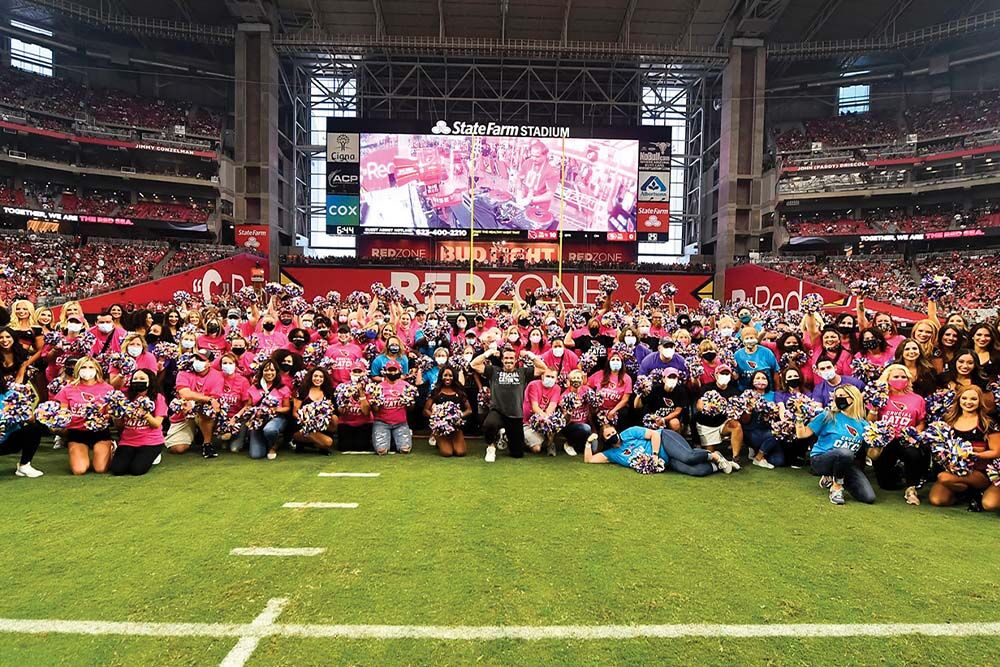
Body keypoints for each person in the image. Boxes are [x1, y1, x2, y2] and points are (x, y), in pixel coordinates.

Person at [795, 384, 874, 506]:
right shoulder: (828, 415)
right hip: (821, 459)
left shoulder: (864, 425)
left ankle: (832, 477)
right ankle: (836, 488)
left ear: (854, 398)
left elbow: (872, 455)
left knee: (868, 497)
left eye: (842, 396)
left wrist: (880, 443)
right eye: (836, 396)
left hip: (845, 463)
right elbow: (802, 434)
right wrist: (799, 416)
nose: (838, 399)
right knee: (845, 452)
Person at [929, 386, 1000, 512]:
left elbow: (996, 451)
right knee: (937, 500)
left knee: (943, 477)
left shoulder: (987, 423)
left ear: (979, 401)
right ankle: (965, 493)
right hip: (954, 470)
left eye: (974, 399)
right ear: (959, 400)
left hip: (980, 471)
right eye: (965, 398)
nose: (968, 402)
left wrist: (972, 454)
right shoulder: (948, 420)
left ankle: (980, 490)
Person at [471, 346, 548, 462]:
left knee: (517, 453)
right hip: (498, 411)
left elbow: (543, 368)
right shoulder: (494, 371)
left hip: (515, 414)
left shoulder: (523, 372)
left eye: (511, 358)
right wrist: (489, 352)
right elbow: (474, 365)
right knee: (489, 424)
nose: (508, 360)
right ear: (502, 360)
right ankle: (491, 447)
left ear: (516, 360)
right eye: (506, 358)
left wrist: (529, 354)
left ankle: (504, 435)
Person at [868, 365, 927, 505]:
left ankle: (911, 489)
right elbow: (870, 422)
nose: (900, 379)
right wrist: (875, 409)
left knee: (913, 454)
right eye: (895, 376)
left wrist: (915, 434)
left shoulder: (917, 399)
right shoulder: (879, 397)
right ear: (887, 379)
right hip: (885, 441)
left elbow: (921, 422)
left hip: (906, 439)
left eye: (903, 377)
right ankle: (898, 471)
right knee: (887, 485)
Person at [585, 423, 733, 476]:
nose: (612, 435)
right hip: (667, 461)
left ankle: (714, 455)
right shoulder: (612, 454)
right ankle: (718, 466)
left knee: (689, 457)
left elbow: (654, 434)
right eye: (608, 435)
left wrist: (654, 455)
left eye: (613, 432)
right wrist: (588, 443)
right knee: (696, 471)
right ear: (604, 439)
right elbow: (589, 460)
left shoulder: (630, 432)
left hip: (665, 440)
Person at [54, 357, 115, 475]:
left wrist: (102, 417)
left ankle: (111, 447)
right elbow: (63, 412)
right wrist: (56, 420)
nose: (87, 370)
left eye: (91, 367)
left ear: (97, 370)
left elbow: (109, 414)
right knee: (79, 470)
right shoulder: (67, 389)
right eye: (83, 367)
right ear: (77, 370)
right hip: (77, 432)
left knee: (100, 469)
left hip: (100, 431)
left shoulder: (108, 388)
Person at [164, 349, 223, 458]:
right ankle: (193, 434)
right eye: (196, 358)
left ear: (209, 363)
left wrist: (200, 402)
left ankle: (207, 443)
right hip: (184, 411)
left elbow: (215, 399)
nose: (197, 361)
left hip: (203, 411)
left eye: (201, 359)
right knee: (177, 448)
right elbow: (184, 393)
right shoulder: (184, 372)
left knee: (208, 410)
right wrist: (206, 399)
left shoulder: (217, 376)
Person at [109, 369, 167, 476]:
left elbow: (157, 424)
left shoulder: (157, 398)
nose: (138, 381)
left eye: (142, 379)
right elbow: (120, 425)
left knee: (137, 470)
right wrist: (117, 414)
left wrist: (145, 414)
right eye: (135, 379)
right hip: (128, 441)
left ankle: (154, 455)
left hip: (150, 441)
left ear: (150, 381)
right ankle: (119, 451)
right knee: (117, 470)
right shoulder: (125, 397)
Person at [693, 364, 744, 464]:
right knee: (711, 456)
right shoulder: (706, 388)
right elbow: (699, 406)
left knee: (736, 425)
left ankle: (735, 459)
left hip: (723, 423)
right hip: (706, 425)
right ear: (716, 375)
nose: (724, 376)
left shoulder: (735, 391)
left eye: (727, 374)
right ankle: (720, 460)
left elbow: (737, 411)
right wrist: (709, 407)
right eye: (722, 373)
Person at [0, 372, 44, 477]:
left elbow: (31, 419)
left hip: (8, 441)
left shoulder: (11, 395)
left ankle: (24, 465)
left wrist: (24, 412)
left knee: (34, 428)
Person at [423, 365, 472, 458]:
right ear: (441, 376)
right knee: (447, 453)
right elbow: (425, 410)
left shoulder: (459, 391)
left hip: (455, 426)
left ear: (454, 377)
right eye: (445, 375)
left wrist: (458, 416)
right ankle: (438, 439)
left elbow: (469, 410)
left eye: (450, 375)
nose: (448, 378)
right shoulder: (436, 391)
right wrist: (437, 418)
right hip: (441, 428)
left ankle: (452, 440)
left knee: (460, 452)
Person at [370, 360, 414, 455]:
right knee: (382, 451)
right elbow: (375, 410)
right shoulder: (378, 387)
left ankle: (396, 440)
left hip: (401, 423)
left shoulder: (407, 386)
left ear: (399, 371)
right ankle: (388, 440)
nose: (393, 373)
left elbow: (411, 409)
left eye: (395, 370)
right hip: (382, 423)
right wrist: (375, 402)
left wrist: (409, 401)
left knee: (405, 450)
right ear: (385, 371)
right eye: (390, 370)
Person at [292, 368, 338, 453]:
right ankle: (303, 440)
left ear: (324, 379)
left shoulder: (328, 392)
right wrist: (306, 421)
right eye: (315, 376)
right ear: (311, 377)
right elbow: (295, 412)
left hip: (322, 426)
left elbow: (332, 411)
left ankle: (308, 442)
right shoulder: (303, 390)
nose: (318, 379)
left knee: (334, 418)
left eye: (321, 377)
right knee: (328, 442)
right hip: (305, 426)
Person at [523, 366, 565, 455]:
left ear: (556, 379)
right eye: (547, 376)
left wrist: (548, 420)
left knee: (555, 420)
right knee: (537, 449)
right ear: (542, 376)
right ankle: (513, 437)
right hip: (528, 422)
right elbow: (535, 407)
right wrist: (545, 418)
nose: (550, 379)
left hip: (544, 420)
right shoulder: (533, 385)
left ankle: (550, 443)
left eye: (552, 377)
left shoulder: (557, 388)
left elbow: (552, 406)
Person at [335, 360, 373, 452]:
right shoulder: (342, 387)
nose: (357, 374)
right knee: (344, 447)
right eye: (354, 371)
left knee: (361, 447)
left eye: (359, 372)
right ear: (350, 372)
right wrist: (346, 397)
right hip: (346, 422)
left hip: (364, 422)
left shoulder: (370, 387)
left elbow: (366, 412)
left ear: (364, 373)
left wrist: (361, 392)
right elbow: (341, 411)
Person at [587, 351, 633, 428]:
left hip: (616, 410)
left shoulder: (627, 378)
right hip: (599, 409)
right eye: (613, 359)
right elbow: (587, 385)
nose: (615, 362)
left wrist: (613, 411)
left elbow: (625, 399)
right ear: (609, 362)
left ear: (622, 363)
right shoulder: (599, 374)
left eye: (618, 360)